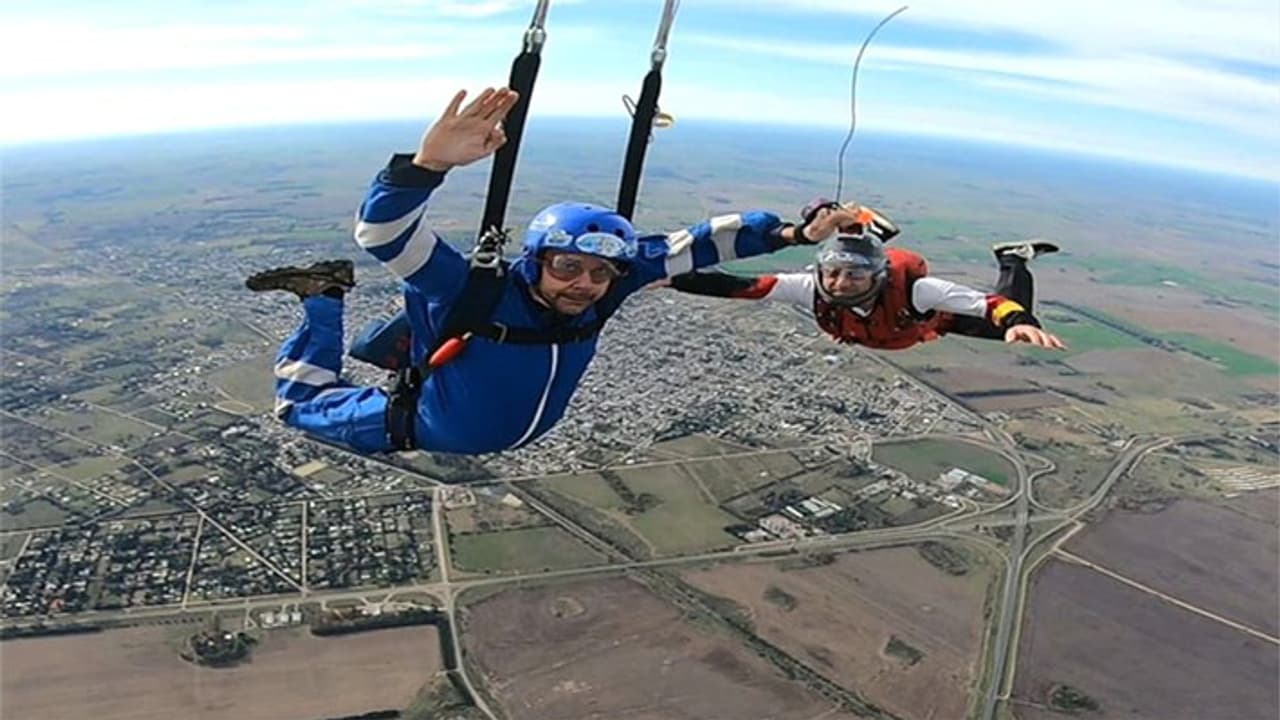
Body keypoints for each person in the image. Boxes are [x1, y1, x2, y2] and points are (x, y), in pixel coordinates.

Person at [246, 87, 859, 455]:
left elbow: (698, 245)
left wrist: (793, 235)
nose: (584, 284)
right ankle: (323, 296)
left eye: (600, 272)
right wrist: (427, 166)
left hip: (474, 429)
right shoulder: (472, 287)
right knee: (298, 406)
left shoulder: (607, 290)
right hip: (423, 425)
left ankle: (335, 302)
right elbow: (383, 234)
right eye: (567, 266)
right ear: (535, 259)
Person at [667, 199, 1067, 351]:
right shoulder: (811, 287)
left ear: (878, 278)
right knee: (851, 254)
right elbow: (743, 287)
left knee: (1005, 328)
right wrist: (673, 277)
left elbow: (991, 304)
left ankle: (1013, 261)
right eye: (833, 274)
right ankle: (866, 228)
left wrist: (1020, 321)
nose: (840, 284)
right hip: (899, 328)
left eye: (855, 277)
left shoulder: (919, 291)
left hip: (929, 319)